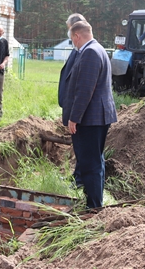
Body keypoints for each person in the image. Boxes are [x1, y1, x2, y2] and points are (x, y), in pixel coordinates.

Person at [61, 20, 118, 208]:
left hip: (90, 119)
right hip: (96, 117)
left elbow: (85, 89)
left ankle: (94, 207)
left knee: (89, 164)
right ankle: (94, 202)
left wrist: (74, 117)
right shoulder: (98, 49)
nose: (73, 44)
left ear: (77, 36)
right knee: (95, 161)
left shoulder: (90, 53)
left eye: (72, 40)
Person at [58, 13, 87, 188]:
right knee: (78, 146)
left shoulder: (85, 52)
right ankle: (77, 176)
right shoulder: (77, 50)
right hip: (72, 107)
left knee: (82, 147)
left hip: (80, 112)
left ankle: (80, 181)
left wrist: (75, 114)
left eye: (69, 29)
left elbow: (82, 86)